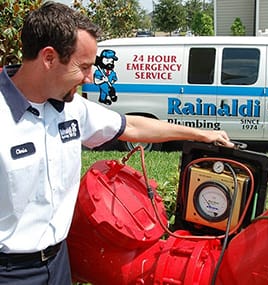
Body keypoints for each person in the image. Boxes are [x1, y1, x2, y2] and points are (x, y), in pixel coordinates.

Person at [0, 2, 233, 284]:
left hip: (60, 263)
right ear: (48, 58)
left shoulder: (71, 108)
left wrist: (199, 134)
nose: (90, 78)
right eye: (83, 67)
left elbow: (131, 125)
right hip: (10, 272)